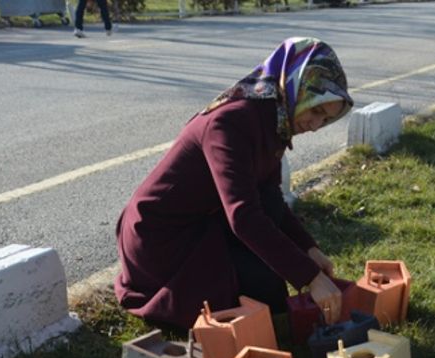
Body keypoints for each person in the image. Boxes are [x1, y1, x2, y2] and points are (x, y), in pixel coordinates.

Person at [114, 37, 353, 332]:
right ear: (295, 85)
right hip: (159, 240)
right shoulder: (232, 122)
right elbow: (243, 216)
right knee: (260, 288)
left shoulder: (272, 118)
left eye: (325, 119)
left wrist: (309, 249)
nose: (316, 125)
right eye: (315, 110)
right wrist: (310, 277)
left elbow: (270, 197)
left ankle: (238, 284)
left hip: (200, 221)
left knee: (266, 275)